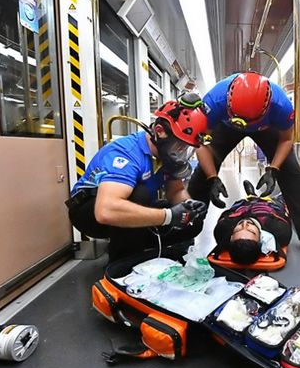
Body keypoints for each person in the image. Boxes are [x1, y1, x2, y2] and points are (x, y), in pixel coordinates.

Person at [67, 96, 210, 262]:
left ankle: (140, 250)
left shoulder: (167, 155)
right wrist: (169, 216)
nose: (182, 152)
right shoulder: (126, 153)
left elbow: (176, 191)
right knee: (139, 194)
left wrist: (189, 207)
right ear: (160, 131)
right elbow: (105, 210)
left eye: (186, 147)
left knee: (193, 222)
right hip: (89, 210)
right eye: (180, 145)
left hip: (129, 204)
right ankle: (123, 263)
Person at [188, 72, 300, 254]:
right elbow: (199, 142)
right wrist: (212, 177)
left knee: (292, 172)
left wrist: (273, 169)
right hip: (226, 126)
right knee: (200, 178)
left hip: (266, 128)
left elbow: (287, 140)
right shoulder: (213, 102)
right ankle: (186, 234)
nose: (245, 125)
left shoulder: (282, 106)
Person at [212, 181, 293, 265]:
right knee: (283, 198)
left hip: (244, 205)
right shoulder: (280, 230)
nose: (245, 223)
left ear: (231, 237)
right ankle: (272, 197)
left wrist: (236, 215)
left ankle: (251, 195)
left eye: (238, 230)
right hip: (270, 206)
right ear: (260, 239)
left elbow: (227, 212)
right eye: (251, 231)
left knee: (247, 201)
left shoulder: (223, 228)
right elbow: (284, 216)